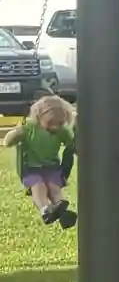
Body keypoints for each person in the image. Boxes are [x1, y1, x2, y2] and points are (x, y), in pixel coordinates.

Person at [16, 94, 76, 228]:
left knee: (54, 188)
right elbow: (13, 137)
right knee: (39, 187)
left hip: (52, 167)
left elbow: (71, 143)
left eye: (59, 124)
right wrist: (15, 135)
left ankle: (61, 212)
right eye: (50, 123)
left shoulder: (61, 131)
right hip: (31, 167)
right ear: (39, 117)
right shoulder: (30, 127)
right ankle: (45, 211)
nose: (55, 127)